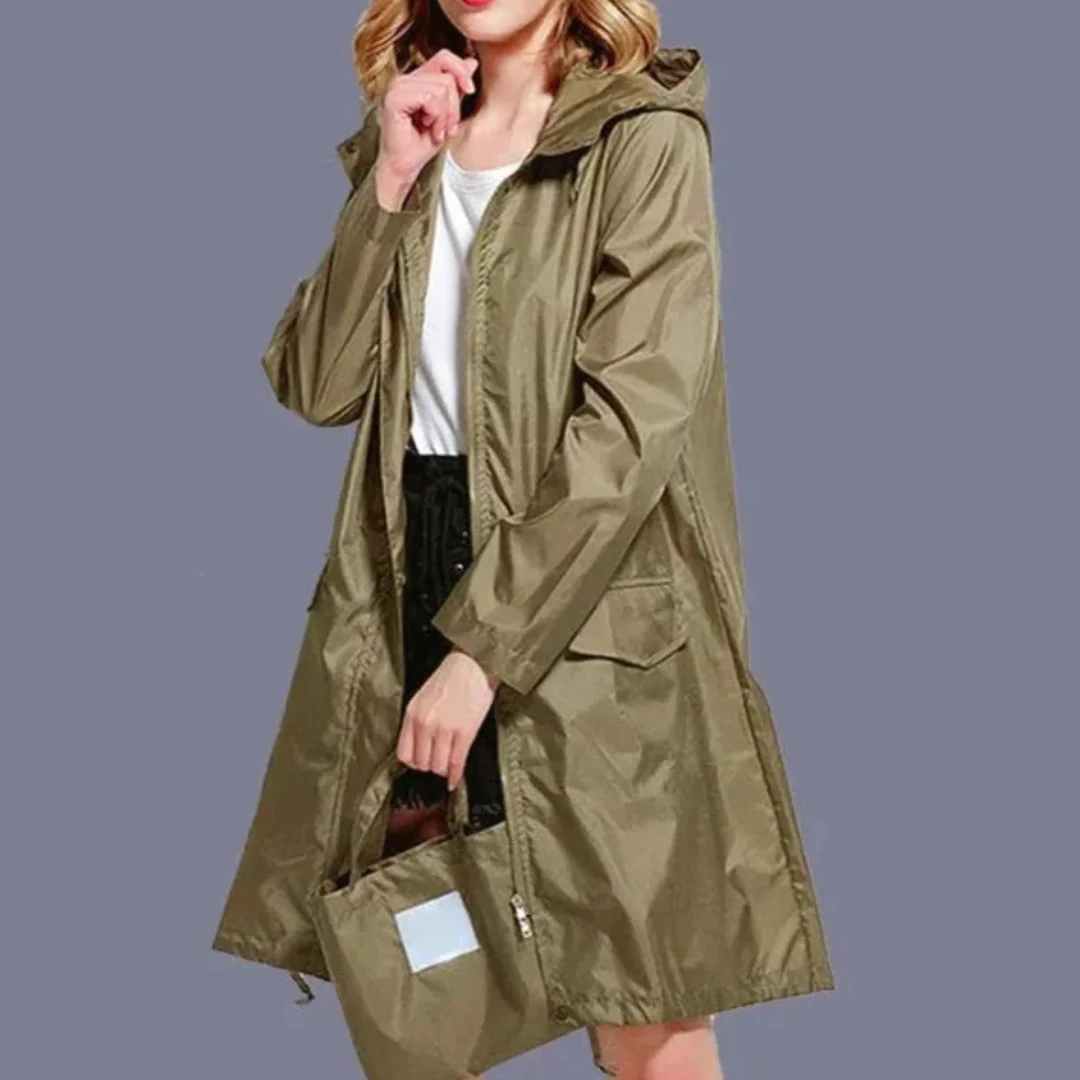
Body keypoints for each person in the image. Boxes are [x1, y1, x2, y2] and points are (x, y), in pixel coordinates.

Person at [212, 2, 836, 1078]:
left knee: (640, 1001)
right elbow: (317, 383)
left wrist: (483, 651)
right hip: (407, 581)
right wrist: (390, 180)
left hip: (584, 602)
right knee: (424, 990)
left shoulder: (641, 136)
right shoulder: (416, 132)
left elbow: (633, 424)